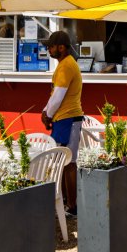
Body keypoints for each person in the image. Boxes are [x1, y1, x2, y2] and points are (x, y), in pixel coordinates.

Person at [41, 31, 83, 216]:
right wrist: (48, 112)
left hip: (68, 119)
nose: (48, 49)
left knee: (68, 163)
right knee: (64, 163)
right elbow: (55, 95)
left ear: (61, 47)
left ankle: (72, 206)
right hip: (64, 118)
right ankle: (67, 204)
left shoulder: (66, 66)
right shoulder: (65, 65)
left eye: (50, 46)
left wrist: (46, 114)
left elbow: (58, 96)